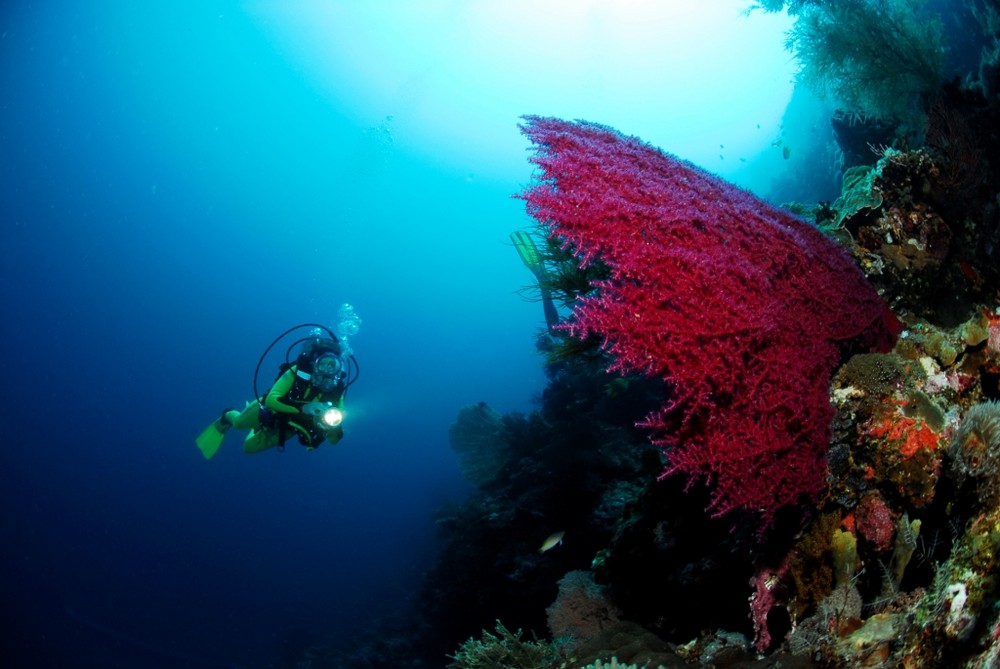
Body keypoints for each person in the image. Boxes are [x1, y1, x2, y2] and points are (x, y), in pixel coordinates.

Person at [196, 325, 357, 459]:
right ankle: (227, 416)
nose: (327, 371)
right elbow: (272, 399)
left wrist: (334, 425)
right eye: (324, 364)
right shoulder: (297, 371)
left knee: (248, 448)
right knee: (238, 424)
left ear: (338, 368)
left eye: (332, 366)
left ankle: (256, 428)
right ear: (315, 363)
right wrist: (304, 408)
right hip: (269, 410)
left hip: (287, 427)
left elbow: (333, 441)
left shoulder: (336, 392)